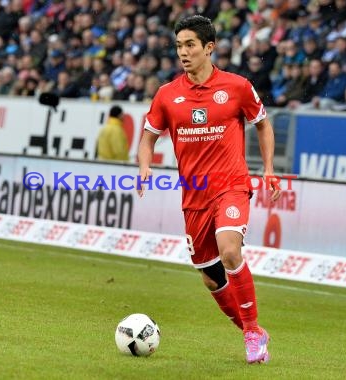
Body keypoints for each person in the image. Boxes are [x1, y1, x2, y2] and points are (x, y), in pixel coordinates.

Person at [137, 15, 280, 364]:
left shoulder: (237, 87)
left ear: (209, 47)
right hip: (194, 196)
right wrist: (144, 165)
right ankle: (251, 330)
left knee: (230, 251)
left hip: (231, 186)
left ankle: (251, 333)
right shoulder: (167, 95)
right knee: (212, 278)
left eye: (190, 45)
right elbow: (147, 137)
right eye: (178, 46)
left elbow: (263, 125)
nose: (183, 52)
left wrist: (269, 170)